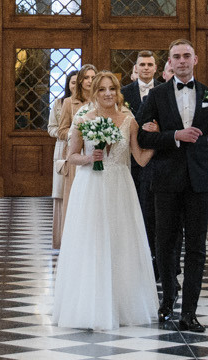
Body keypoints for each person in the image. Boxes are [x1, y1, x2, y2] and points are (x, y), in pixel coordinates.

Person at [135, 40, 208, 333]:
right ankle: (168, 300)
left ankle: (189, 311)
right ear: (170, 62)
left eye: (186, 56)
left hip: (200, 181)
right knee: (165, 244)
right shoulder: (157, 95)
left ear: (195, 59)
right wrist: (174, 135)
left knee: (196, 247)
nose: (181, 61)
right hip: (166, 179)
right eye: (176, 57)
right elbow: (141, 137)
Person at [52, 71, 159, 331]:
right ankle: (89, 305)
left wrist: (158, 139)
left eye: (112, 88)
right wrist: (90, 158)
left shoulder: (129, 121)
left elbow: (140, 158)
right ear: (94, 93)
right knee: (92, 242)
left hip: (120, 186)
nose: (108, 93)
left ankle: (121, 305)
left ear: (118, 91)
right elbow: (71, 156)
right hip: (90, 185)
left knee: (120, 241)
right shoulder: (82, 120)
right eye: (102, 89)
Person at [120, 51, 160, 271]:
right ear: (136, 68)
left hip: (157, 157)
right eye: (142, 64)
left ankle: (156, 259)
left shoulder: (164, 89)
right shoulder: (124, 92)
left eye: (149, 64)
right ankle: (133, 259)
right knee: (133, 211)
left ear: (155, 68)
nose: (145, 68)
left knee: (153, 212)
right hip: (130, 159)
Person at [49, 66, 93, 250]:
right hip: (75, 155)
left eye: (93, 78)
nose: (90, 81)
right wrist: (77, 135)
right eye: (86, 78)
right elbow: (60, 129)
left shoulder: (101, 100)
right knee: (73, 197)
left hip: (95, 155)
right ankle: (71, 240)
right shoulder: (68, 102)